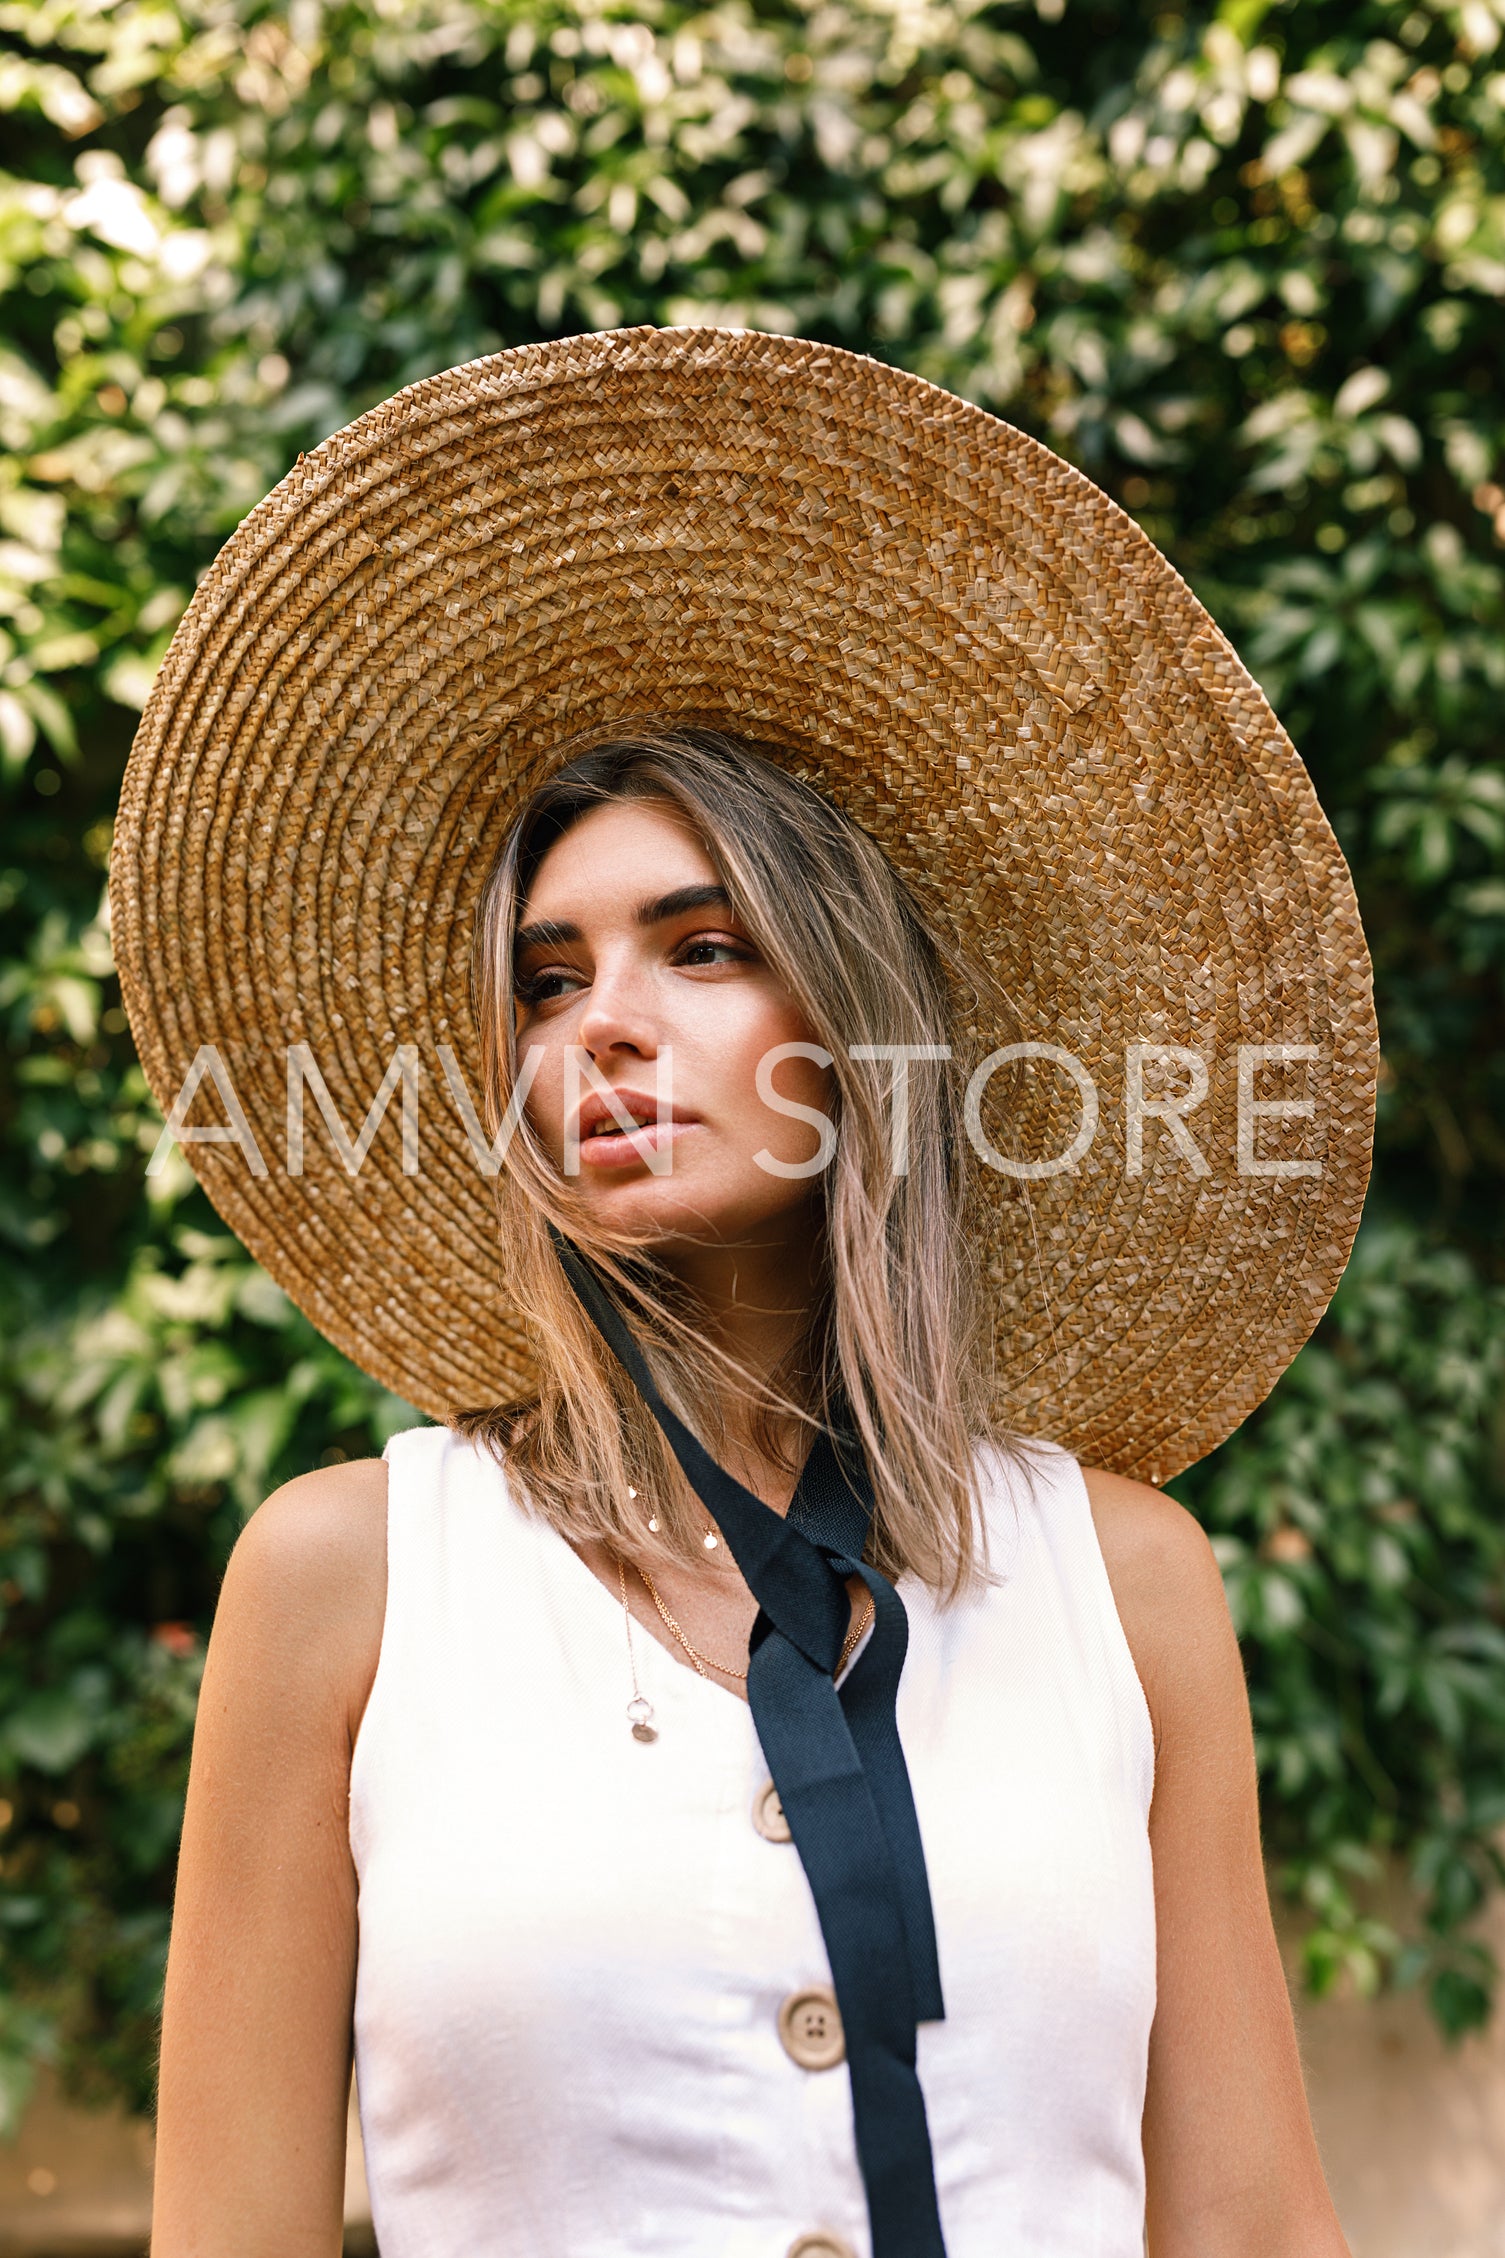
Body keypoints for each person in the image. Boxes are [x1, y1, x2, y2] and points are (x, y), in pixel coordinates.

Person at [115, 331, 1374, 2258]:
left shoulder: (1124, 1584)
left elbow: (1253, 2231)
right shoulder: (349, 1577)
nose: (601, 1022)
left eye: (699, 947)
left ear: (856, 1029)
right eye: (545, 978)